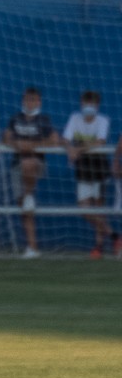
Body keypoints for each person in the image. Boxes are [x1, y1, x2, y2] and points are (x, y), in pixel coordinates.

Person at [2, 86, 58, 259]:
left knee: (28, 163)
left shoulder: (43, 119)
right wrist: (18, 144)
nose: (30, 102)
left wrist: (32, 146)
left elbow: (54, 140)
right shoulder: (15, 118)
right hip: (16, 165)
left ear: (39, 102)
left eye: (33, 99)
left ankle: (29, 195)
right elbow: (6, 138)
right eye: (27, 99)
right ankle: (32, 247)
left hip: (36, 163)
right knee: (24, 209)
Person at [62, 90, 118, 259]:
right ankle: (115, 236)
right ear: (81, 104)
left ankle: (98, 247)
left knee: (99, 209)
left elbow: (100, 141)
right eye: (86, 104)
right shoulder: (74, 118)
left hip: (99, 168)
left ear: (97, 106)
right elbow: (65, 139)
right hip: (83, 169)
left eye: (92, 104)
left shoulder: (103, 120)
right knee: (84, 209)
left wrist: (77, 149)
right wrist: (69, 148)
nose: (88, 107)